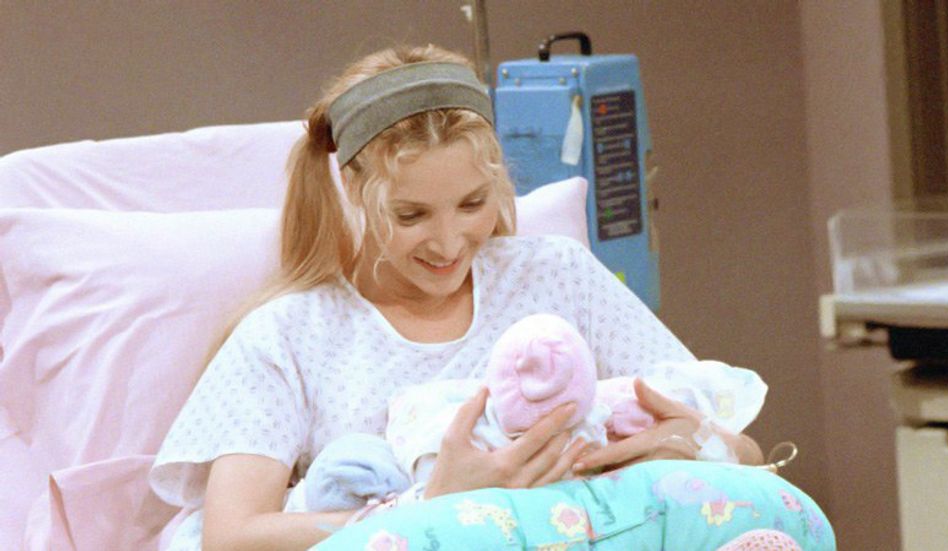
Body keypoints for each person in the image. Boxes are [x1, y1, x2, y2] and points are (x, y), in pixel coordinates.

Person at [149, 44, 764, 551]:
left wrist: (699, 445)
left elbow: (749, 453)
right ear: (354, 189)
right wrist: (432, 505)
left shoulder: (557, 277)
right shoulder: (290, 336)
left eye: (472, 204)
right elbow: (233, 537)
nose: (448, 243)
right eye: (411, 215)